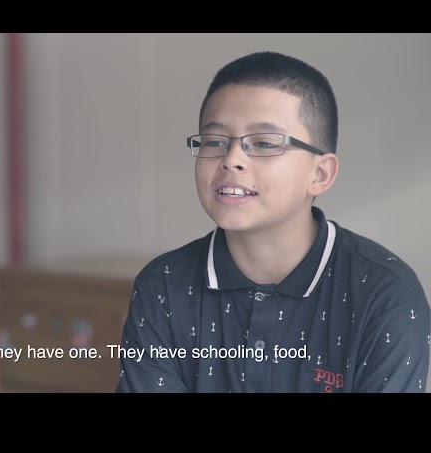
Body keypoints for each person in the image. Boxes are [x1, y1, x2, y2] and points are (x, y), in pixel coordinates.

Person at [115, 51, 430, 393]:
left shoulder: (386, 295)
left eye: (264, 143)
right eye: (215, 142)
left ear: (320, 174)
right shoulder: (163, 285)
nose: (231, 160)